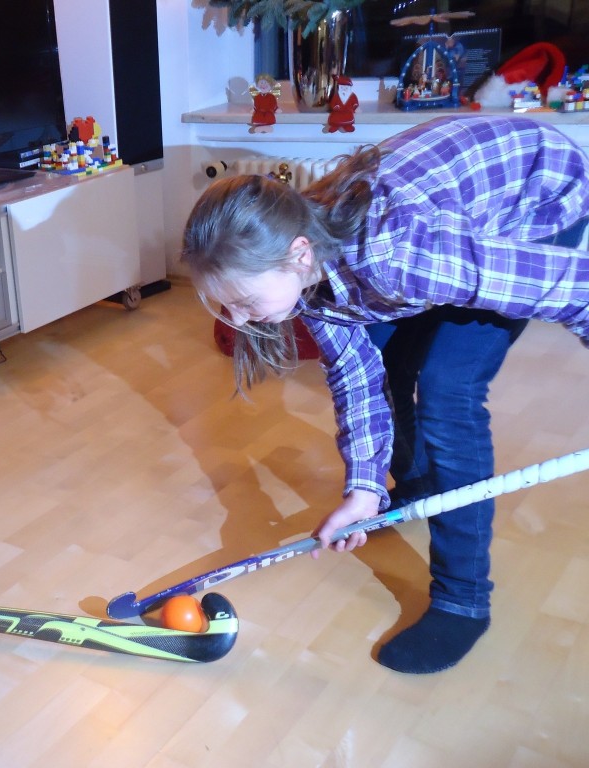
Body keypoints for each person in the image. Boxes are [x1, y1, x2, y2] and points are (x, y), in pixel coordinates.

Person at [181, 115, 589, 673]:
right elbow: (356, 377)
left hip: (536, 193)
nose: (236, 320)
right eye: (223, 304)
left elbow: (576, 287)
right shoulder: (308, 269)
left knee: (448, 388)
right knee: (392, 362)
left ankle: (463, 599)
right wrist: (365, 488)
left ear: (300, 254)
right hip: (451, 218)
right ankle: (419, 482)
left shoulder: (400, 254)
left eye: (244, 301)